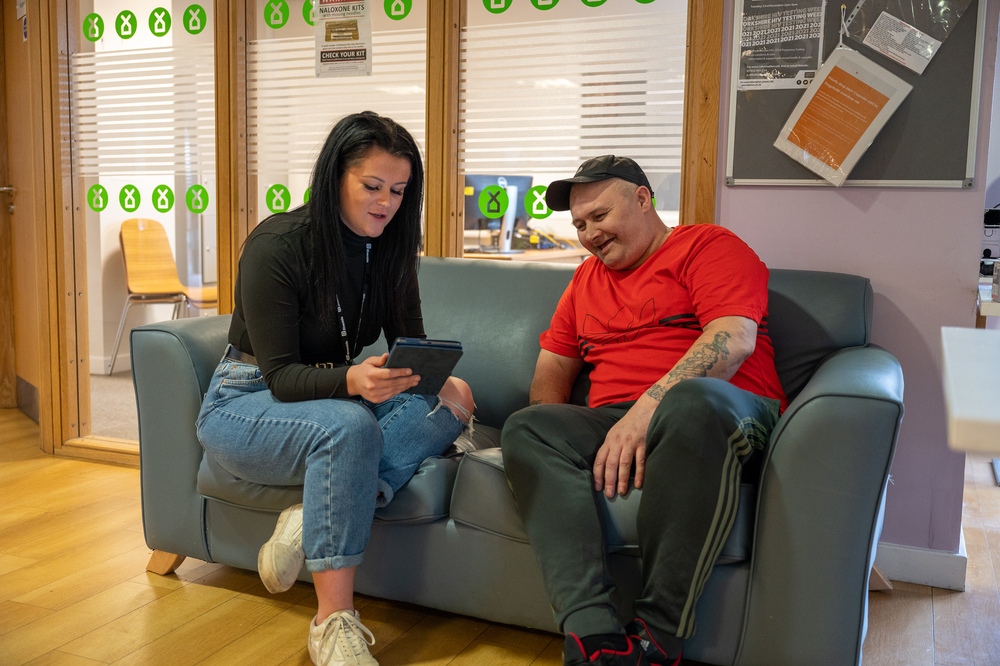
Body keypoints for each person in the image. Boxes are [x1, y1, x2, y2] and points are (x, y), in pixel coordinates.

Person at [196, 111, 474, 666]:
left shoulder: (390, 250)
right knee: (350, 426)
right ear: (334, 178)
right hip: (246, 400)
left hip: (331, 399)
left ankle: (311, 514)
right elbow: (280, 377)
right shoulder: (277, 245)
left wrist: (421, 374)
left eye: (398, 190)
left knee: (458, 397)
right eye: (372, 186)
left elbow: (409, 344)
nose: (386, 203)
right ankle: (332, 622)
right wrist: (352, 378)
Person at [500, 155, 787, 666]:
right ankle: (593, 638)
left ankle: (659, 638)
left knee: (691, 402)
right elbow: (551, 376)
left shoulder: (707, 246)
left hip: (726, 409)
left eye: (600, 216)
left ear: (642, 198)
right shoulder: (584, 281)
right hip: (618, 420)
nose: (590, 234)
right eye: (580, 224)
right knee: (529, 427)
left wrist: (645, 412)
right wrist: (569, 443)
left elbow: (733, 338)